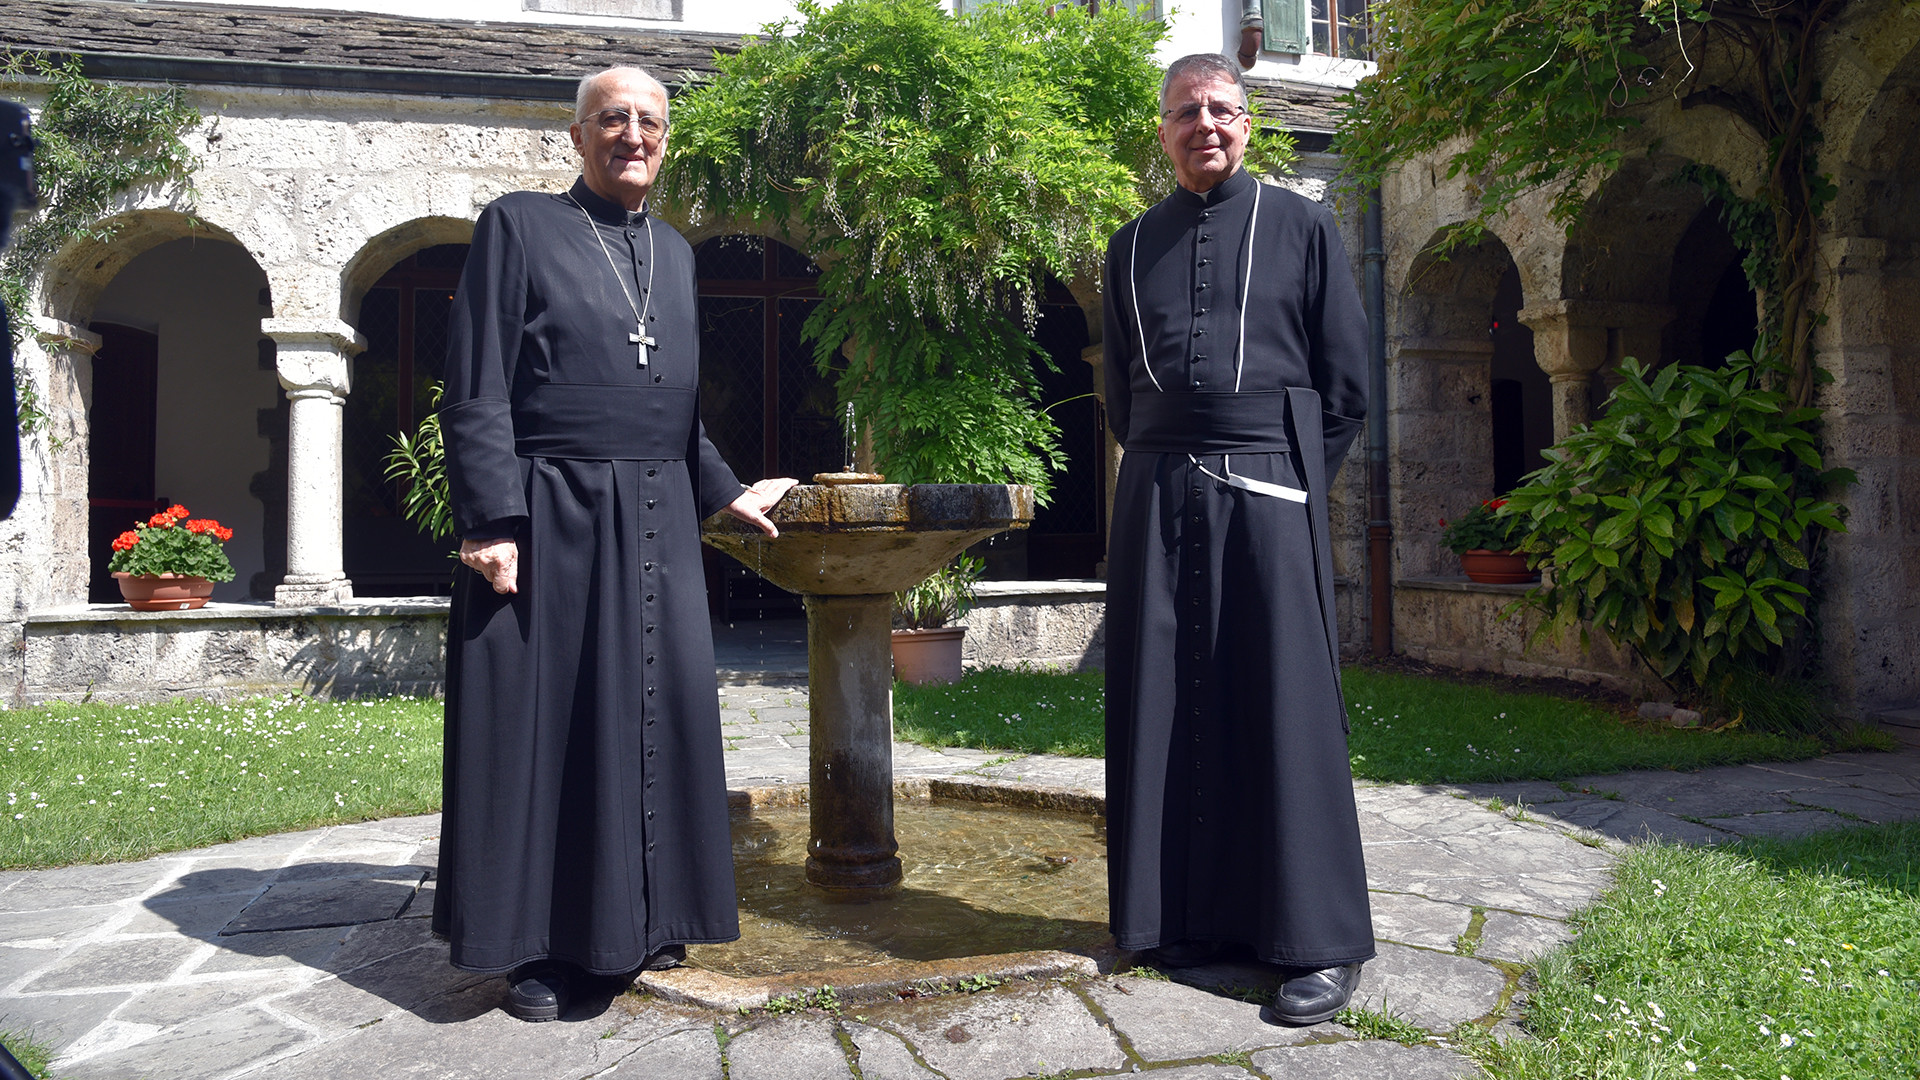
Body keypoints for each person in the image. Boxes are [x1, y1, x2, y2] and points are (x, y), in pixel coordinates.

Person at [432, 65, 797, 1023]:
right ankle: (549, 947)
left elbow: (676, 411)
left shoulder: (673, 253)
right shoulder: (517, 225)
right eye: (613, 120)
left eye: (650, 122)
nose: (633, 135)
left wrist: (722, 493)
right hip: (552, 512)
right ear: (577, 135)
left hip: (659, 515)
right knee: (558, 725)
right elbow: (476, 383)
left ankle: (642, 916)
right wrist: (490, 520)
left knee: (654, 711)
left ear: (666, 139)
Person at [1100, 52, 1374, 1026]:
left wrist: (1286, 491)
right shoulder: (1128, 248)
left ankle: (1318, 943)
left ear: (1249, 124)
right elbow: (1121, 398)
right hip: (1159, 496)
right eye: (1185, 113)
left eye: (1221, 110)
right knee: (1168, 704)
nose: (1203, 125)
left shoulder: (1303, 227)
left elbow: (1347, 392)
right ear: (1162, 130)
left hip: (1269, 493)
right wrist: (1173, 470)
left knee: (1283, 713)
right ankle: (1181, 918)